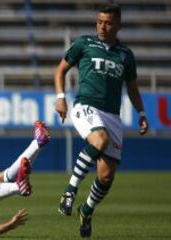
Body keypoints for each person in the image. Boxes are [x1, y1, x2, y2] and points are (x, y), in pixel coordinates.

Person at [54, 2, 148, 238]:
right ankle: (69, 192)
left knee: (106, 176)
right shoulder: (84, 43)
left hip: (113, 115)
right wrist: (60, 97)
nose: (102, 27)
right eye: (99, 21)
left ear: (118, 25)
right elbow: (60, 71)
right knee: (99, 140)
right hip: (86, 106)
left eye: (107, 23)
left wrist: (142, 113)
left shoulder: (126, 55)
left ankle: (85, 211)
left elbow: (133, 89)